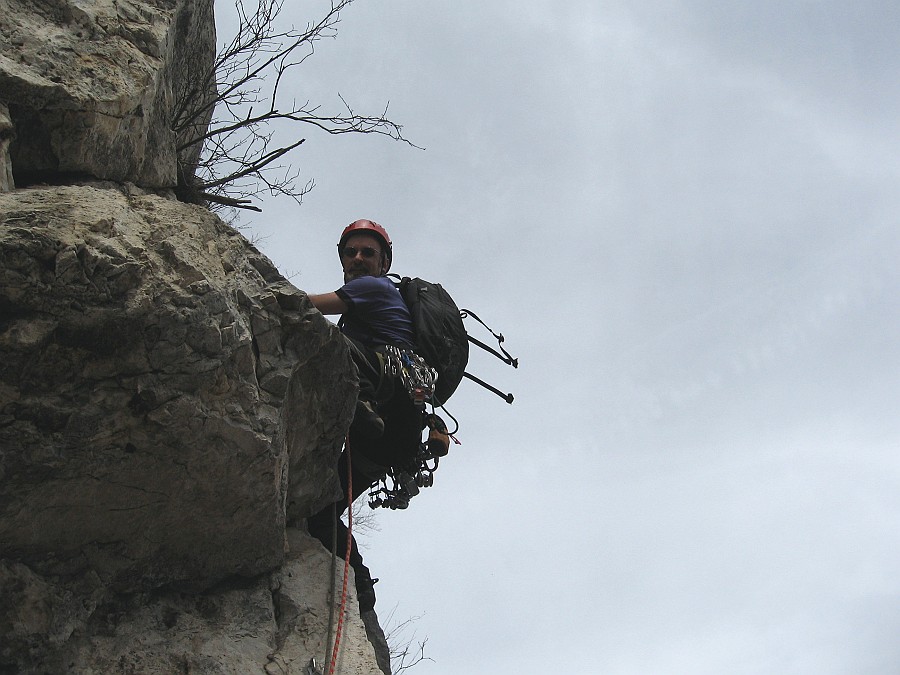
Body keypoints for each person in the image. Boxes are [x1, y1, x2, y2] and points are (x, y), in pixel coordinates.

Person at [306, 219, 425, 613]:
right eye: (350, 252)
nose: (357, 258)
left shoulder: (371, 288)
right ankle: (359, 583)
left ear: (383, 263)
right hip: (392, 437)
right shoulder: (373, 307)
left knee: (326, 342)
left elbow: (307, 309)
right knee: (319, 510)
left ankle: (360, 405)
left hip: (386, 400)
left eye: (367, 253)